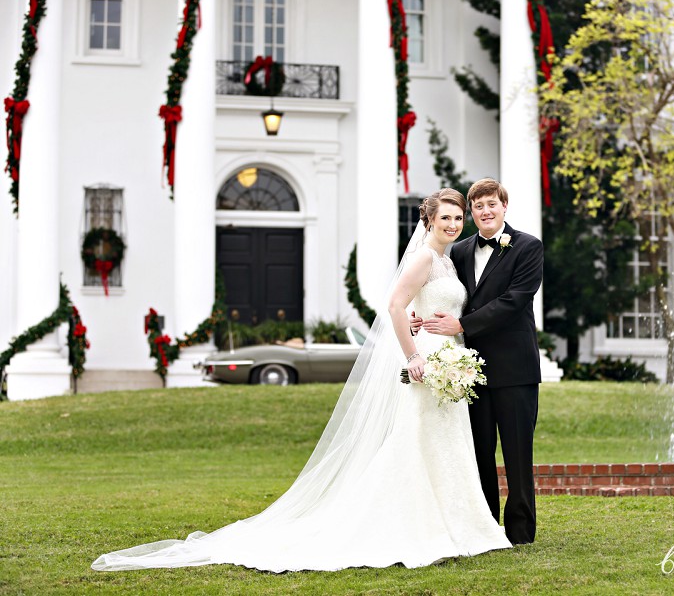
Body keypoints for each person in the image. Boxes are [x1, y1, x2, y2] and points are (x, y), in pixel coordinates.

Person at [91, 189, 511, 572]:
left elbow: (424, 306)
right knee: (416, 442)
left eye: (459, 219)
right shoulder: (423, 257)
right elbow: (394, 306)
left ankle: (460, 525)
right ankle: (421, 526)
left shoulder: (446, 259)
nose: (454, 225)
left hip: (450, 363)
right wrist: (414, 355)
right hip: (428, 363)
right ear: (429, 222)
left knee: (445, 443)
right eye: (447, 219)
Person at [412, 178, 543, 545]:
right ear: (472, 212)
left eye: (492, 204)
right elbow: (434, 291)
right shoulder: (459, 250)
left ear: (504, 207)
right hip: (467, 369)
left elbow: (515, 300)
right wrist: (415, 316)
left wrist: (462, 324)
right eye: (479, 206)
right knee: (478, 452)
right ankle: (484, 528)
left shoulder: (528, 247)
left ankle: (520, 532)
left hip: (515, 368)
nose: (486, 211)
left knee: (518, 453)